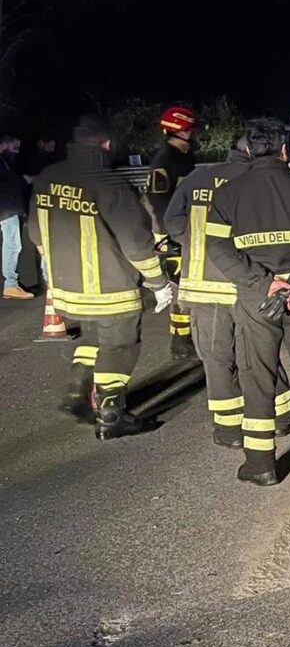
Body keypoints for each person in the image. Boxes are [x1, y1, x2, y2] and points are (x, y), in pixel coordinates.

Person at [205, 118, 290, 486]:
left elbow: (216, 247)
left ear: (249, 149)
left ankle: (261, 465)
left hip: (256, 302)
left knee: (258, 379)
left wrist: (263, 283)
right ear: (285, 149)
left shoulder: (227, 195)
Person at [28, 115, 176, 439]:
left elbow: (35, 232)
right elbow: (137, 243)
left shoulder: (48, 178)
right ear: (106, 144)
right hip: (110, 290)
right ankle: (111, 414)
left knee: (93, 339)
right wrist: (159, 283)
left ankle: (77, 396)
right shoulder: (109, 184)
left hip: (67, 290)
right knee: (119, 346)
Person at [164, 137, 290, 449]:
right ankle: (281, 417)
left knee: (216, 357)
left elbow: (171, 222)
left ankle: (228, 430)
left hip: (204, 286)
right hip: (250, 284)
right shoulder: (261, 183)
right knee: (261, 352)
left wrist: (199, 243)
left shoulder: (197, 178)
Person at [148, 106, 199, 359]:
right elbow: (158, 201)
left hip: (183, 230)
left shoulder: (183, 157)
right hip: (172, 233)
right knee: (180, 287)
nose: (195, 134)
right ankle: (180, 342)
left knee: (187, 286)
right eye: (191, 130)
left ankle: (186, 337)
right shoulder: (165, 160)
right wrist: (171, 235)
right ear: (181, 130)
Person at [0, 135, 33, 299]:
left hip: (9, 208)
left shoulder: (6, 163)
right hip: (6, 209)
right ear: (4, 144)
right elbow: (10, 184)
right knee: (13, 245)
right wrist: (23, 180)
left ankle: (11, 283)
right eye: (15, 145)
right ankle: (10, 284)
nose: (17, 149)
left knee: (12, 245)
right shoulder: (2, 163)